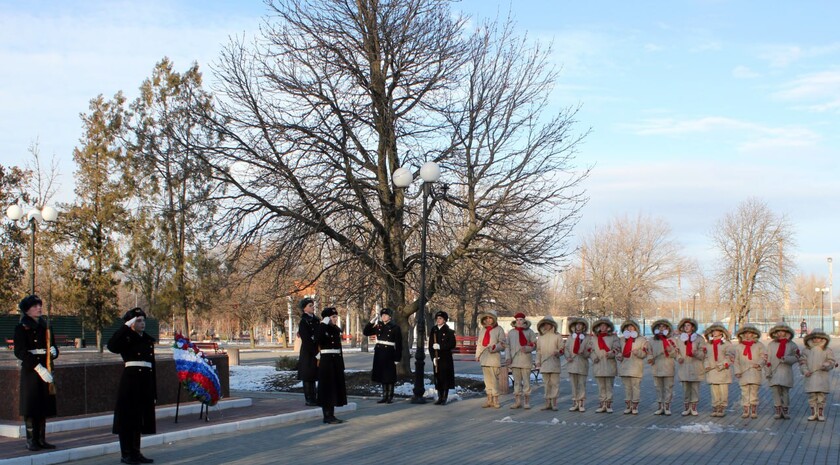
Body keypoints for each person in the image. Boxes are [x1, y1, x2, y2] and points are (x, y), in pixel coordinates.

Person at [107, 308, 156, 464]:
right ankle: (126, 453)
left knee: (139, 419)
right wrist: (125, 327)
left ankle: (136, 452)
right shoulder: (126, 337)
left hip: (145, 381)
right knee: (127, 419)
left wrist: (153, 391)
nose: (142, 323)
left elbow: (152, 365)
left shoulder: (147, 339)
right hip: (131, 381)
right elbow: (112, 346)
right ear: (131, 323)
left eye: (143, 320)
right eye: (138, 320)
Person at [13, 295, 58, 451]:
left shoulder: (46, 326)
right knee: (31, 406)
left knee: (43, 404)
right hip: (32, 371)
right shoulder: (21, 327)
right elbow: (20, 351)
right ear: (27, 310)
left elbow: (53, 346)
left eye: (40, 305)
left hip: (46, 368)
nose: (39, 308)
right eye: (35, 306)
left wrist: (54, 352)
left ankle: (41, 439)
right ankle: (31, 440)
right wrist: (38, 367)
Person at [362, 307, 403, 404]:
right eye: (382, 315)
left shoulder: (395, 327)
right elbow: (366, 332)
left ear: (390, 316)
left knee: (389, 376)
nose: (384, 317)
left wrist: (397, 357)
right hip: (380, 352)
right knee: (382, 375)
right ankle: (384, 396)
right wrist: (371, 323)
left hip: (389, 353)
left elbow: (399, 344)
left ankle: (390, 396)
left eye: (386, 315)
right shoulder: (378, 326)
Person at [316, 307, 348, 424]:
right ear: (326, 318)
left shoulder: (335, 329)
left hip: (336, 362)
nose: (335, 319)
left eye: (336, 317)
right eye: (333, 317)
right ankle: (327, 415)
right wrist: (323, 324)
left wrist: (341, 365)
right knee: (327, 389)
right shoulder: (321, 328)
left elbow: (339, 348)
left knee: (334, 388)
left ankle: (332, 415)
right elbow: (318, 339)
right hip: (326, 362)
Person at [799, 328, 835, 421]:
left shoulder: (827, 350)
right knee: (812, 396)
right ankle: (813, 413)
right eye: (814, 337)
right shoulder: (806, 350)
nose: (816, 339)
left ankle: (820, 413)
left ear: (823, 338)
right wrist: (805, 371)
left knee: (821, 396)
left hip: (822, 376)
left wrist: (827, 365)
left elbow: (832, 361)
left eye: (818, 338)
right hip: (810, 376)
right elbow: (802, 362)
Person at [765, 322, 799, 420]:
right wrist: (767, 369)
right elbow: (767, 357)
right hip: (774, 370)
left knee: (785, 391)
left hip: (785, 370)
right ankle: (778, 409)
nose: (780, 333)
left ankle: (785, 409)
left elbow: (797, 357)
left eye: (782, 331)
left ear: (787, 332)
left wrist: (787, 359)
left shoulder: (792, 345)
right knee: (775, 390)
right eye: (778, 331)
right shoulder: (771, 344)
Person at [586, 317, 618, 413]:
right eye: (601, 325)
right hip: (598, 364)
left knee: (609, 385)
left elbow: (617, 348)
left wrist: (611, 353)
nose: (603, 327)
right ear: (598, 327)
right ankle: (602, 403)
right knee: (601, 386)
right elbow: (590, 349)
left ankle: (608, 404)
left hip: (609, 364)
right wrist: (593, 357)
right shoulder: (594, 338)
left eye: (605, 325)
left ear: (608, 327)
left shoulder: (613, 337)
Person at [475, 310, 507, 409]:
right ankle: (489, 399)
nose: (488, 320)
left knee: (494, 380)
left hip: (493, 358)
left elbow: (502, 343)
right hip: (484, 358)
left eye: (490, 318)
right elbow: (480, 343)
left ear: (494, 319)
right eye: (486, 318)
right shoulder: (482, 330)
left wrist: (494, 347)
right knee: (487, 380)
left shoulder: (499, 329)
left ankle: (496, 399)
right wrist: (477, 355)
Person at [675, 317, 706, 416]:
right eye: (685, 326)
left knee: (695, 389)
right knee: (685, 389)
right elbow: (676, 351)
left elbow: (703, 354)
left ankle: (694, 408)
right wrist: (678, 357)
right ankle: (686, 408)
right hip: (684, 366)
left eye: (688, 325)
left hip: (695, 366)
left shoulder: (699, 338)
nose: (686, 327)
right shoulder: (679, 339)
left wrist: (696, 353)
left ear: (693, 327)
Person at [733, 324, 765, 419]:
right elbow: (736, 360)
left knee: (754, 392)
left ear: (754, 334)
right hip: (744, 372)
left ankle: (754, 410)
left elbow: (763, 356)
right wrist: (737, 371)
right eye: (745, 333)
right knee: (744, 392)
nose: (747, 335)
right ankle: (746, 410)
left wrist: (759, 363)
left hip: (755, 371)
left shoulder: (759, 345)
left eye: (750, 333)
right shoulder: (739, 346)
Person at [505, 312, 537, 409]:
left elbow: (534, 344)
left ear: (524, 320)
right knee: (517, 382)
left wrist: (527, 348)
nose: (519, 321)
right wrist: (508, 357)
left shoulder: (530, 332)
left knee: (526, 381)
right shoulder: (511, 333)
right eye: (517, 320)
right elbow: (507, 346)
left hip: (526, 360)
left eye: (521, 319)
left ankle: (526, 402)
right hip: (514, 361)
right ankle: (517, 401)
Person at [616, 319, 647, 415]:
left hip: (636, 367)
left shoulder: (642, 340)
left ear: (636, 328)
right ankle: (628, 405)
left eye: (631, 326)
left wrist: (639, 352)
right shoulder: (621, 339)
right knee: (627, 387)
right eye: (627, 327)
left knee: (635, 387)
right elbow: (618, 351)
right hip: (624, 367)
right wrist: (619, 355)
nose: (629, 328)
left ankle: (635, 406)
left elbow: (645, 353)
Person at [703, 322, 733, 417]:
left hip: (723, 370)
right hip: (712, 371)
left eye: (717, 330)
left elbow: (730, 357)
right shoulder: (708, 344)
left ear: (721, 332)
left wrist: (721, 365)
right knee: (714, 390)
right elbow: (706, 357)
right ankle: (715, 406)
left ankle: (722, 407)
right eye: (713, 331)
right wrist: (707, 365)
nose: (715, 332)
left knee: (723, 391)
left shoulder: (727, 344)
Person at [648, 319, 677, 415]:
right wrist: (650, 358)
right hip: (656, 367)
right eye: (659, 327)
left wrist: (670, 350)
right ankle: (660, 407)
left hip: (668, 366)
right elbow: (649, 351)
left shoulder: (672, 340)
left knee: (668, 387)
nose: (661, 329)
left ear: (667, 328)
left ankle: (667, 406)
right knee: (658, 388)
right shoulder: (652, 340)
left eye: (663, 327)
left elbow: (676, 354)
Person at [535, 316, 563, 411]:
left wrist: (558, 352)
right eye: (545, 324)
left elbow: (562, 349)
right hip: (544, 364)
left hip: (554, 363)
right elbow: (538, 351)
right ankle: (547, 403)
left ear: (552, 324)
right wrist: (538, 362)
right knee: (546, 384)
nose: (546, 326)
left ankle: (554, 403)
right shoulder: (541, 337)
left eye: (548, 324)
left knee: (555, 384)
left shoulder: (557, 336)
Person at [429, 311, 456, 405]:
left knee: (445, 377)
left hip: (445, 357)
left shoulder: (449, 331)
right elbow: (430, 345)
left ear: (444, 320)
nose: (438, 320)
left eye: (440, 318)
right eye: (437, 318)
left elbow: (452, 344)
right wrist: (433, 357)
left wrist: (440, 346)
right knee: (438, 377)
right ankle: (439, 397)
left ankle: (444, 397)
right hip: (436, 358)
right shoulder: (434, 330)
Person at [297, 298, 319, 406]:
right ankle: (309, 398)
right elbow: (306, 339)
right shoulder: (304, 321)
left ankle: (314, 397)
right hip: (308, 351)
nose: (312, 307)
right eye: (310, 305)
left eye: (312, 305)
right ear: (304, 308)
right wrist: (315, 351)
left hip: (316, 350)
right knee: (307, 375)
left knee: (314, 375)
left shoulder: (316, 320)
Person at [564, 317, 590, 412]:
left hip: (582, 364)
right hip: (572, 364)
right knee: (573, 385)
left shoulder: (587, 338)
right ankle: (575, 402)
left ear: (583, 327)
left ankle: (581, 403)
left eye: (580, 325)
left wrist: (584, 353)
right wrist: (568, 357)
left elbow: (589, 350)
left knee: (582, 384)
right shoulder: (571, 337)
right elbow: (566, 348)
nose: (578, 326)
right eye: (577, 325)